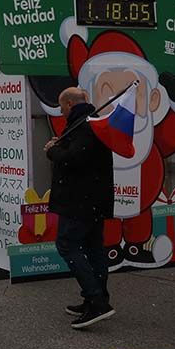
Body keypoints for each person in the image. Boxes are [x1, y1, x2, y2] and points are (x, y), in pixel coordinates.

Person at [45, 87, 116, 329]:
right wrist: (61, 146)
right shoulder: (90, 123)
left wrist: (52, 150)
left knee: (67, 244)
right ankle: (95, 298)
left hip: (80, 201)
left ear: (69, 104)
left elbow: (74, 158)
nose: (61, 112)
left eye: (62, 107)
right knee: (94, 248)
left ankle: (96, 300)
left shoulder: (85, 127)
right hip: (93, 200)